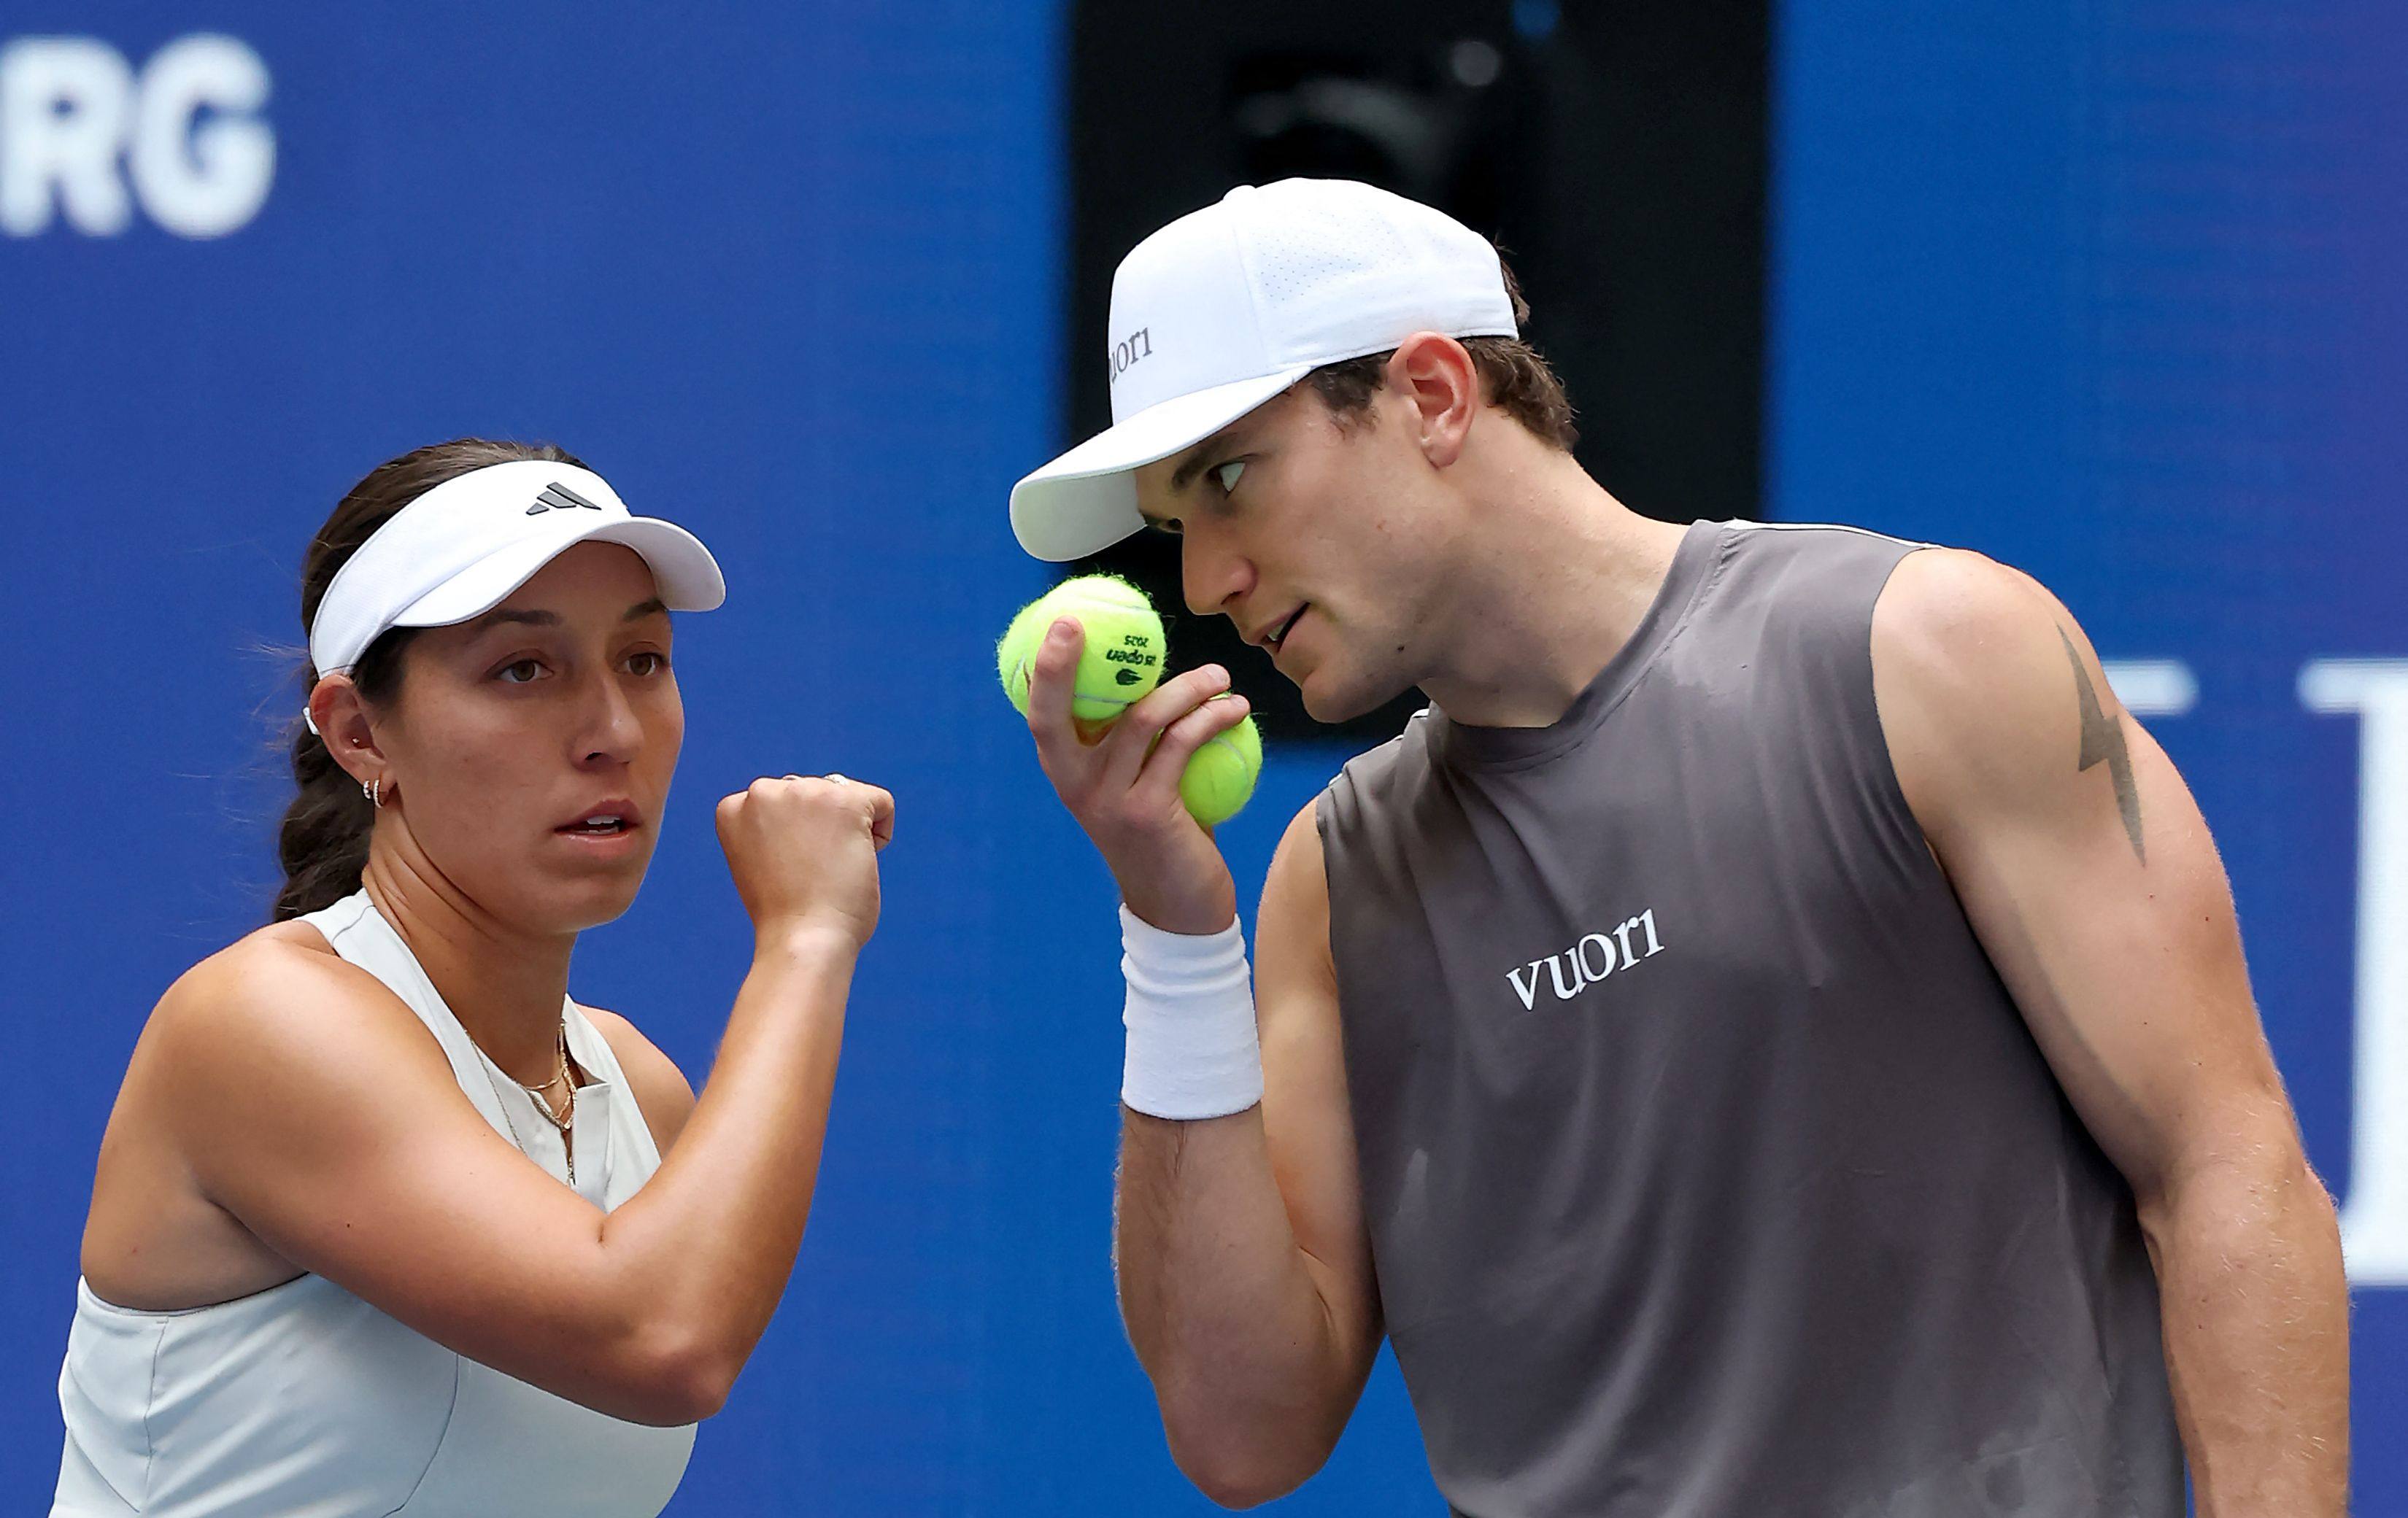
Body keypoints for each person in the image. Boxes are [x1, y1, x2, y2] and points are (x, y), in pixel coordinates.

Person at [1006, 180, 2349, 1516]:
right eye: (1181, 522)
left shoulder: (1936, 654)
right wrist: (1173, 925)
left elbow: (2224, 1164)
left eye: (1232, 476)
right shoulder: (1329, 884)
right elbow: (1242, 1436)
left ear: (1430, 395)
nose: (1201, 583)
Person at [54, 439, 893, 1517]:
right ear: (359, 732)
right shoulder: (260, 1021)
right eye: (523, 669)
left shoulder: (639, 1091)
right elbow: (663, 1339)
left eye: (642, 659)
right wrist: (808, 938)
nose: (614, 731)